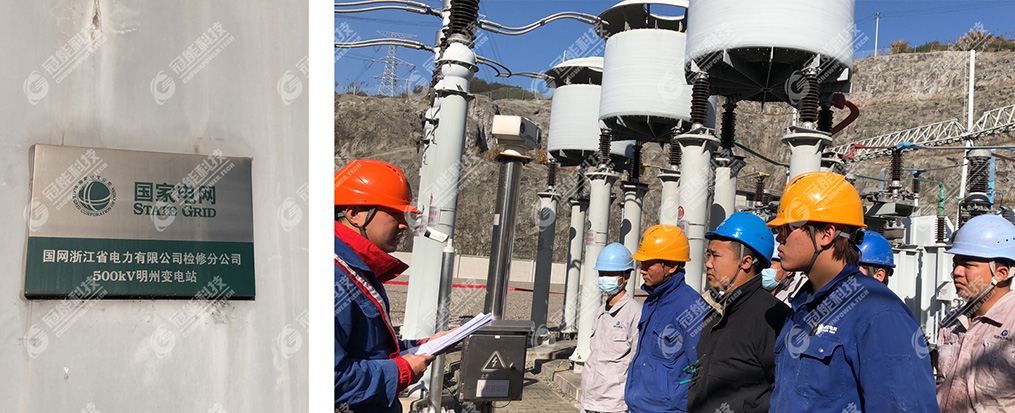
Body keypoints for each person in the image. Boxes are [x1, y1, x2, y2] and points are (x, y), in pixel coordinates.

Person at [766, 171, 937, 412]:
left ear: (826, 234)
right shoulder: (803, 304)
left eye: (788, 228)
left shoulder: (879, 314)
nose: (779, 238)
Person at [334, 160, 450, 412]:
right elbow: (330, 379)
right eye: (394, 213)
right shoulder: (334, 275)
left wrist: (425, 345)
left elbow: (370, 351)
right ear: (354, 214)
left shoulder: (356, 268)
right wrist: (400, 371)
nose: (404, 224)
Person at [687, 212, 791, 413]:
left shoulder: (773, 317)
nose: (708, 263)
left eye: (716, 255)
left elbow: (783, 393)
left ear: (746, 262)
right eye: (708, 255)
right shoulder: (716, 310)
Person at [936, 214, 1015, 411]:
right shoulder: (951, 322)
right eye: (956, 263)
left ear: (1001, 273)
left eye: (968, 264)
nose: (957, 271)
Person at [625, 225, 704, 413]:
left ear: (671, 266)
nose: (642, 270)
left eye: (648, 264)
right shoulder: (652, 300)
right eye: (641, 263)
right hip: (637, 407)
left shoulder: (691, 307)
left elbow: (701, 370)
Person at [581, 243, 643, 413]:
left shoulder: (635, 313)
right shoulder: (601, 312)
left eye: (611, 274)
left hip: (614, 404)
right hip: (590, 400)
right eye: (602, 274)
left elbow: (636, 362)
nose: (604, 278)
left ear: (626, 276)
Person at [763, 240, 808, 306]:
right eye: (765, 264)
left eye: (771, 264)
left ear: (789, 272)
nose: (765, 269)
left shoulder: (795, 299)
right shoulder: (756, 291)